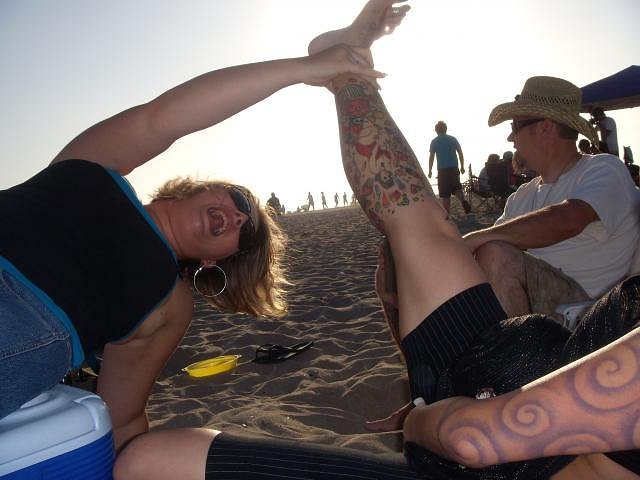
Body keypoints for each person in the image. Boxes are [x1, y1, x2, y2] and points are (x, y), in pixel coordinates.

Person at [0, 30, 388, 479]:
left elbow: (122, 417)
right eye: (238, 201)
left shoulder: (170, 302)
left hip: (22, 323)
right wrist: (305, 70)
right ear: (202, 189)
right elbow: (164, 117)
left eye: (245, 234)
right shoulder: (96, 164)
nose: (238, 217)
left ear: (214, 262)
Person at [463, 77, 640, 322]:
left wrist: (477, 238)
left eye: (516, 126)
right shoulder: (522, 196)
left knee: (494, 254)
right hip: (536, 307)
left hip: (587, 315)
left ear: (545, 128)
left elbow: (569, 219)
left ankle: (521, 347)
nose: (511, 138)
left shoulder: (604, 169)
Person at [428, 121, 472, 215]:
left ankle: (447, 214)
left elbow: (431, 157)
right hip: (454, 168)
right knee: (457, 188)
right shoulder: (453, 139)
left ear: (436, 130)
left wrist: (430, 170)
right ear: (445, 129)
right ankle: (463, 201)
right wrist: (462, 166)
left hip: (442, 170)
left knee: (445, 194)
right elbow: (460, 153)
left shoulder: (434, 141)